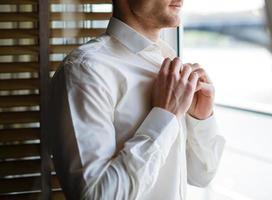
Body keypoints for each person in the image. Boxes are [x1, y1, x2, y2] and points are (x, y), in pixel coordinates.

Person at [49, 0, 225, 199]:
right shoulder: (85, 72)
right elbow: (95, 195)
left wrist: (201, 119)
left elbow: (200, 175)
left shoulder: (168, 62)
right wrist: (165, 116)